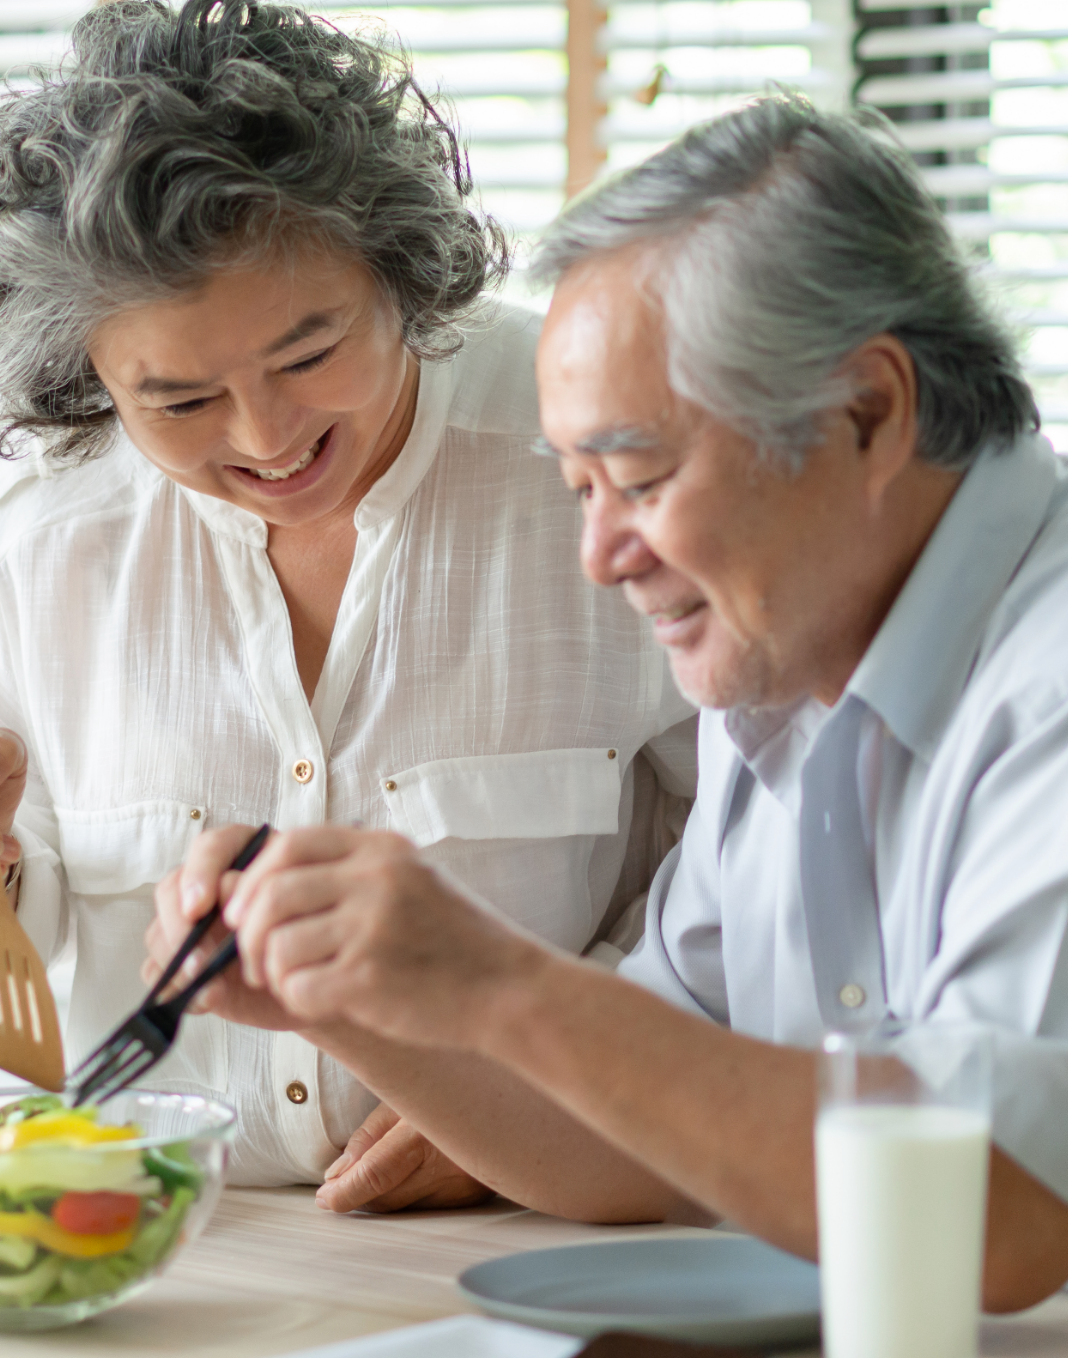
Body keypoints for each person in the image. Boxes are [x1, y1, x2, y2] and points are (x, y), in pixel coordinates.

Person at [150, 91, 1068, 1310]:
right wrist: (352, 998)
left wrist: (496, 976)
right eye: (579, 486)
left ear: (869, 412)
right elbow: (628, 1138)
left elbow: (994, 1210)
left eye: (637, 477)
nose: (601, 554)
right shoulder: (785, 659)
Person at [0, 0, 696, 1196]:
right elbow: (36, 942)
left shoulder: (598, 462)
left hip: (558, 1234)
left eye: (310, 353)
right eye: (178, 402)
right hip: (170, 1250)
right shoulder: (41, 541)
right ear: (92, 379)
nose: (267, 437)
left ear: (400, 272)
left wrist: (552, 1106)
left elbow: (748, 864)